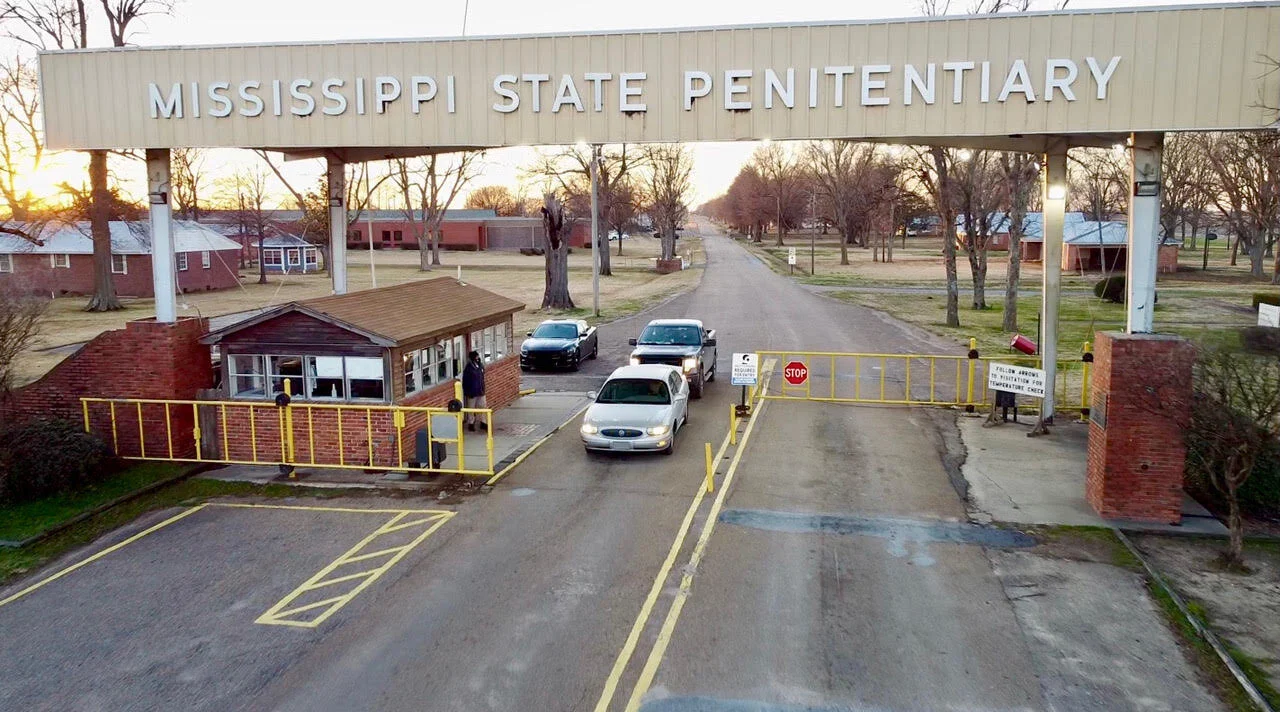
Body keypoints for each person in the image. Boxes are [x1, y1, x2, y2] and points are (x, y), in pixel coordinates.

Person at [462, 350, 487, 432]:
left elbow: (483, 374)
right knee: (471, 408)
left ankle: (483, 422)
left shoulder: (480, 365)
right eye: (476, 356)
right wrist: (467, 391)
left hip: (480, 390)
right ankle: (471, 423)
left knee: (483, 406)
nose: (478, 358)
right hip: (472, 392)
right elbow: (465, 381)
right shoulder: (469, 368)